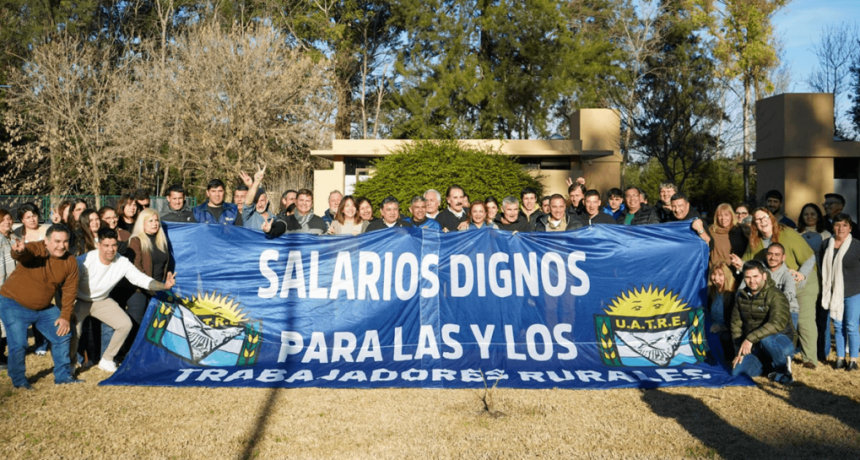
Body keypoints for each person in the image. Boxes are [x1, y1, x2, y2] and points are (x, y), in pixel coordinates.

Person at [72, 227, 176, 373]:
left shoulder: (122, 262)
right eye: (106, 245)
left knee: (125, 324)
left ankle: (107, 359)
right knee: (73, 331)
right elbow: (67, 283)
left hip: (101, 300)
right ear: (98, 245)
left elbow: (140, 279)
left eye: (114, 245)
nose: (110, 249)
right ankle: (70, 362)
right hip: (79, 300)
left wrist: (164, 285)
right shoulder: (84, 261)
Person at [735, 208, 819, 369]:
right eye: (757, 220)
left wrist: (802, 274)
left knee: (803, 321)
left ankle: (810, 359)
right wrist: (739, 264)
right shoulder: (755, 240)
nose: (761, 222)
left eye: (764, 218)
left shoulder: (787, 232)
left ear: (770, 218)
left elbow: (810, 257)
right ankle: (781, 355)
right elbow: (749, 264)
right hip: (780, 285)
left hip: (803, 281)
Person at [0, 224, 81, 388]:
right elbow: (23, 254)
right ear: (46, 241)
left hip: (43, 308)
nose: (61, 246)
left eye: (65, 242)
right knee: (19, 343)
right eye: (57, 241)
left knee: (63, 334)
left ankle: (63, 376)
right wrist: (19, 251)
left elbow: (69, 290)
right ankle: (19, 380)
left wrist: (65, 317)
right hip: (13, 303)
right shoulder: (36, 249)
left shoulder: (70, 261)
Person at [731, 260, 795, 384]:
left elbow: (777, 323)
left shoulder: (776, 295)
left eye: (755, 276)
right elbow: (736, 325)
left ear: (764, 276)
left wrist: (749, 339)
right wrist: (738, 351)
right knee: (738, 372)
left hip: (781, 341)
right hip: (757, 345)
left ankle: (783, 370)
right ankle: (771, 365)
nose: (751, 281)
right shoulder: (740, 296)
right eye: (747, 277)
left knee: (767, 339)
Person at [819, 213, 860, 371]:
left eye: (844, 225)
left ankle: (854, 359)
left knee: (851, 325)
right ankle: (840, 358)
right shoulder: (825, 245)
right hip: (834, 292)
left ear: (850, 228)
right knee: (837, 325)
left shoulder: (857, 245)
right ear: (833, 227)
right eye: (837, 224)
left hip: (854, 291)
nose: (840, 228)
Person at [708, 263, 737, 362]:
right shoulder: (710, 293)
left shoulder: (732, 295)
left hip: (727, 331)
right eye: (713, 274)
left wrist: (723, 328)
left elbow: (736, 320)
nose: (716, 278)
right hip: (712, 328)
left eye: (720, 275)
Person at [0, 209, 18, 370]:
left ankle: (3, 353)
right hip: (2, 286)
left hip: (12, 288)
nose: (7, 222)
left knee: (7, 322)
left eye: (9, 219)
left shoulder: (13, 238)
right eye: (3, 220)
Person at [708, 203, 748, 269]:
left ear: (731, 216)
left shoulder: (739, 231)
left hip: (734, 271)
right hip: (715, 272)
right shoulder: (711, 232)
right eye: (720, 215)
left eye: (726, 215)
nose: (723, 218)